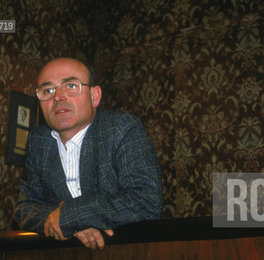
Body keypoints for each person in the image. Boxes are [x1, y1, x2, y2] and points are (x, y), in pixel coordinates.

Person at [15, 58, 163, 249]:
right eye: (48, 90)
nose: (58, 97)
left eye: (70, 85)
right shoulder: (38, 141)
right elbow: (23, 207)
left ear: (94, 96)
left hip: (131, 254)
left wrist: (68, 216)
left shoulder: (121, 128)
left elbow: (146, 201)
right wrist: (65, 223)